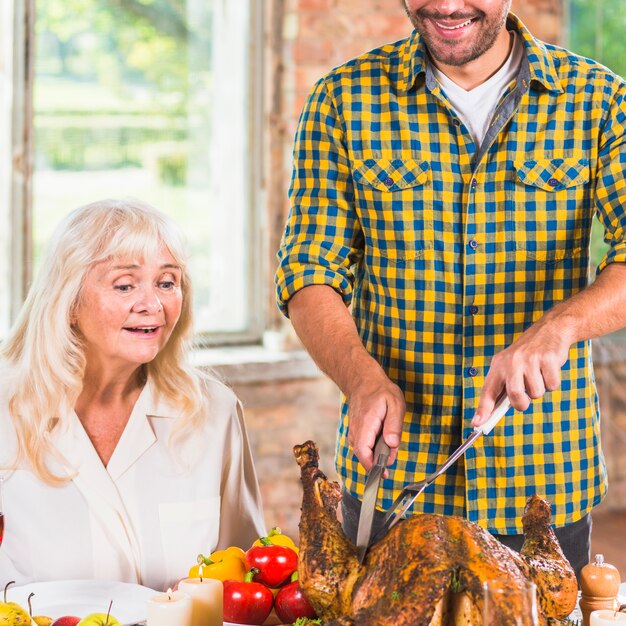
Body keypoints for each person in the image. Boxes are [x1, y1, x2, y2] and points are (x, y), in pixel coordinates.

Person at [275, 0, 626, 576]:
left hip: (541, 476)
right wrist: (360, 379)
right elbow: (309, 270)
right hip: (394, 477)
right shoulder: (344, 99)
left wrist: (558, 328)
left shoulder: (599, 101)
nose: (444, 3)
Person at [0, 198, 265, 590]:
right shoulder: (8, 407)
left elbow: (248, 587)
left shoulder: (215, 413)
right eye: (125, 285)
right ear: (68, 302)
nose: (152, 304)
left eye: (167, 283)